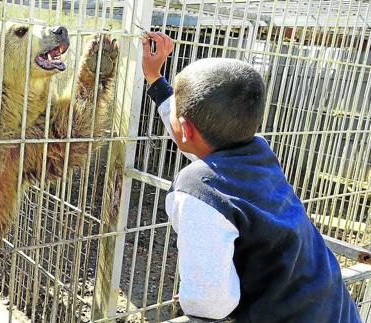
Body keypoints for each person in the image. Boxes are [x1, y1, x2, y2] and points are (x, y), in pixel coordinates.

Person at [141, 32, 361, 323]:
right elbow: (196, 140)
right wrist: (154, 78)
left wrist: (196, 295)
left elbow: (210, 304)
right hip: (333, 309)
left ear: (185, 128)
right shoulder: (257, 149)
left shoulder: (197, 191)